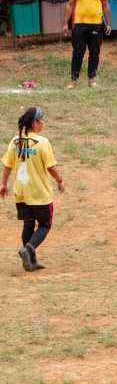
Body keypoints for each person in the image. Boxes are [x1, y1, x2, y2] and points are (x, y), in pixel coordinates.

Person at [0, 107, 64, 271]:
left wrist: (3, 184)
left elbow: (7, 165)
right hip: (39, 193)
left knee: (28, 224)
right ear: (34, 123)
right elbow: (51, 167)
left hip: (21, 192)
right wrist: (59, 180)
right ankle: (27, 250)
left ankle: (31, 261)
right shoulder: (43, 143)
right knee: (45, 225)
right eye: (41, 120)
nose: (43, 123)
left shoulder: (15, 141)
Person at [64, 0, 111, 89]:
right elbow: (70, 5)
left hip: (96, 25)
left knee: (94, 53)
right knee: (78, 52)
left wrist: (108, 23)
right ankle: (73, 80)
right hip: (79, 24)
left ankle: (92, 79)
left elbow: (106, 6)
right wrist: (65, 24)